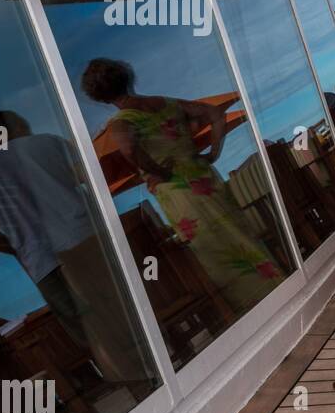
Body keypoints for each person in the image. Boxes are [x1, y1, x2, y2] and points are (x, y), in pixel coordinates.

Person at [0, 111, 154, 386]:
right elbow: (92, 178)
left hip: (41, 262)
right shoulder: (49, 143)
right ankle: (153, 364)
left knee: (87, 325)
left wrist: (20, 247)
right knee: (121, 304)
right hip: (84, 237)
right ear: (17, 125)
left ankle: (130, 378)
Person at [80, 58, 286, 310]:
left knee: (214, 248)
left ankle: (257, 303)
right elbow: (215, 114)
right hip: (203, 176)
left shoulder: (122, 122)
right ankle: (275, 284)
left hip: (177, 190)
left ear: (100, 97)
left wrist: (155, 171)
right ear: (126, 78)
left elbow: (130, 150)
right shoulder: (164, 102)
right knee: (237, 230)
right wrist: (213, 153)